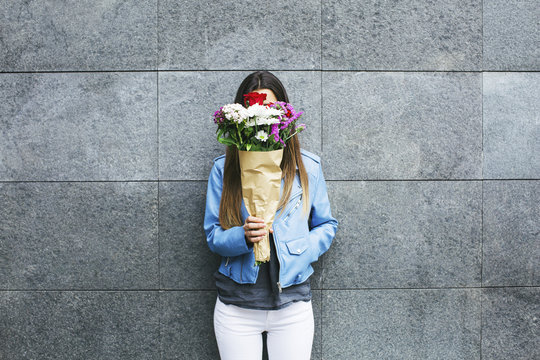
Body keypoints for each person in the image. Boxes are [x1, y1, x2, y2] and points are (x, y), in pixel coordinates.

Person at [204, 70, 338, 360]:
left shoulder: (308, 168)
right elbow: (213, 236)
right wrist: (243, 237)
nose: (263, 116)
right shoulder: (223, 170)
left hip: (293, 306)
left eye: (271, 109)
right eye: (255, 110)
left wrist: (299, 249)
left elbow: (326, 225)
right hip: (236, 308)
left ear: (284, 114)